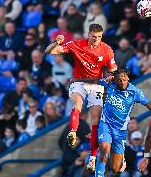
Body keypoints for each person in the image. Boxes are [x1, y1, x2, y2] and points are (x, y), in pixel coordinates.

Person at [45, 23, 117, 171]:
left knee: (95, 119)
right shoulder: (77, 44)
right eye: (93, 37)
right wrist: (56, 43)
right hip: (78, 82)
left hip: (96, 84)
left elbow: (113, 70)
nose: (96, 39)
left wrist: (111, 77)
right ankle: (72, 132)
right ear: (88, 35)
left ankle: (92, 158)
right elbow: (49, 52)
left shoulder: (107, 50)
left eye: (99, 37)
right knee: (77, 105)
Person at [95, 69, 151, 177]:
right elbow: (94, 81)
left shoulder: (134, 91)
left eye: (124, 79)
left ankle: (120, 159)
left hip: (120, 130)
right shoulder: (109, 84)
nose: (122, 82)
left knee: (115, 168)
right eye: (119, 80)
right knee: (104, 148)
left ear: (128, 78)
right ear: (115, 80)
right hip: (106, 124)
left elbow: (150, 106)